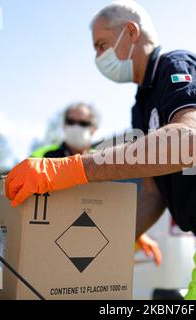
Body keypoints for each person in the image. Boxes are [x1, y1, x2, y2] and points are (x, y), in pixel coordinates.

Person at [5, 0, 196, 300]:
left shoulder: (177, 67)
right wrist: (120, 239)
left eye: (101, 45)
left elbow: (194, 141)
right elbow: (154, 195)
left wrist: (73, 168)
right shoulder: (141, 107)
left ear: (130, 31)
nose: (98, 57)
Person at [31, 102, 162, 266]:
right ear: (64, 125)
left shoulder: (102, 162)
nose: (76, 127)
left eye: (83, 123)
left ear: (94, 128)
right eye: (71, 121)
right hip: (46, 245)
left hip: (87, 245)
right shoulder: (41, 157)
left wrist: (138, 234)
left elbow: (106, 207)